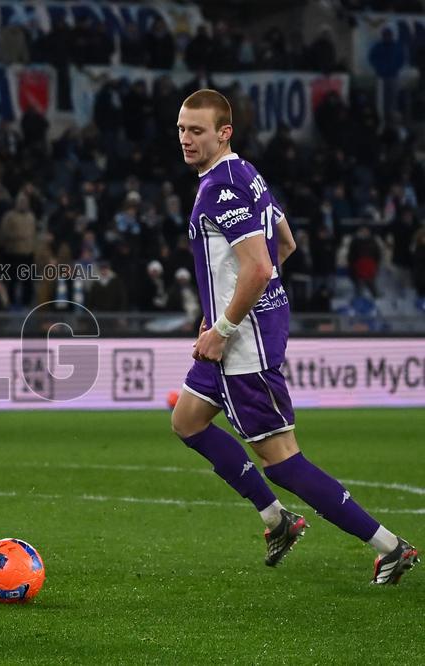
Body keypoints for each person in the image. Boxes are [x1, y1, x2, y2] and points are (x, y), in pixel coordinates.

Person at [171, 89, 418, 584]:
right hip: (240, 330)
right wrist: (231, 307)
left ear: (225, 133)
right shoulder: (247, 174)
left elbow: (260, 265)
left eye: (197, 130)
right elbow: (286, 242)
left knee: (282, 462)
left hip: (244, 346)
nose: (186, 138)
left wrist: (224, 326)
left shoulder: (220, 188)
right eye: (181, 129)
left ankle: (390, 546)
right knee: (188, 421)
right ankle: (275, 519)